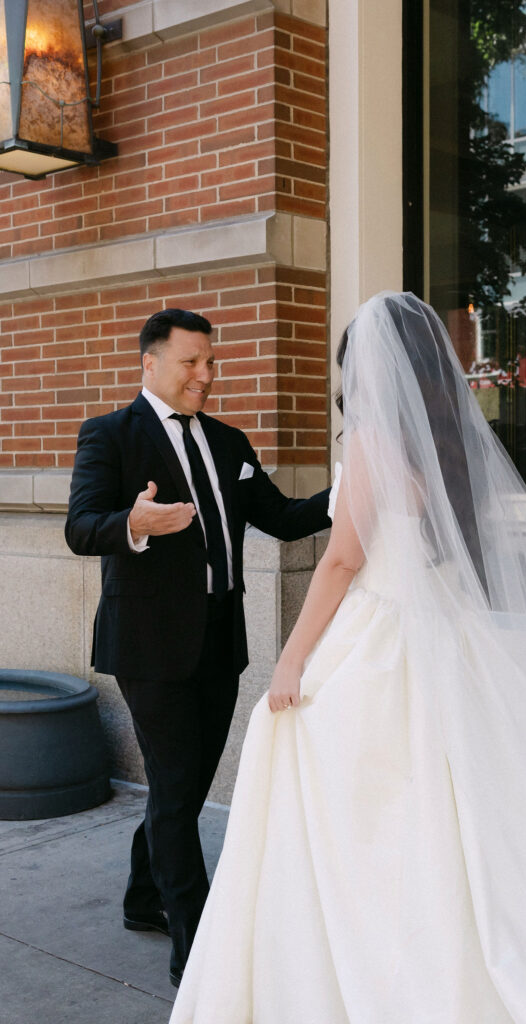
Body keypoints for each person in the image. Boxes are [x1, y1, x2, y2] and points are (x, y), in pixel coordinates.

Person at [169, 293, 526, 1024]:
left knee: (323, 774)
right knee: (460, 806)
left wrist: (290, 661)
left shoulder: (376, 439)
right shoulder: (448, 445)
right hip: (445, 637)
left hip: (378, 637)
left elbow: (342, 560)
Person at [64, 309, 331, 988]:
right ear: (150, 363)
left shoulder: (230, 441)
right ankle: (196, 945)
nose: (206, 376)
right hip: (149, 647)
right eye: (191, 363)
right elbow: (80, 526)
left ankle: (139, 897)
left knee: (177, 789)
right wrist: (134, 522)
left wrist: (354, 489)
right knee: (178, 786)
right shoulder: (110, 436)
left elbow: (285, 518)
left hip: (221, 642)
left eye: (211, 362)